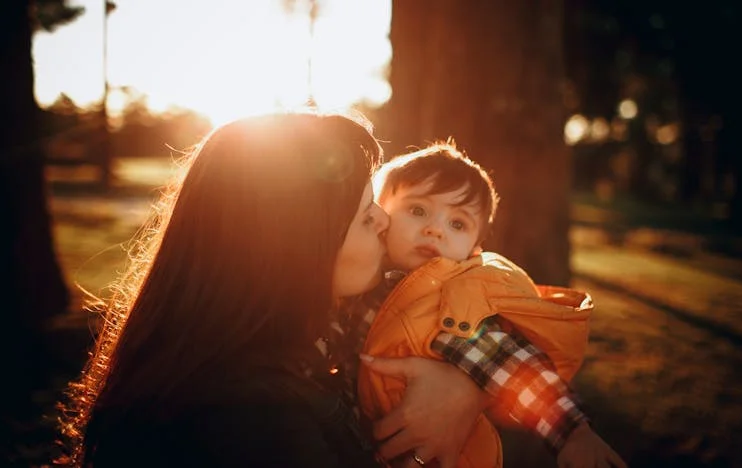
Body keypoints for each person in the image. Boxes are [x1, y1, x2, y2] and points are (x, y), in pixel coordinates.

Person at [56, 112, 493, 467]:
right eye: (365, 215)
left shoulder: (289, 345)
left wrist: (466, 387)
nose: (384, 220)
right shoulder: (252, 417)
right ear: (298, 245)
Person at [356, 142, 626, 467]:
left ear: (474, 248)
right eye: (418, 210)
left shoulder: (451, 305)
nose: (435, 229)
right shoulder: (365, 285)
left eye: (457, 224)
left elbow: (516, 369)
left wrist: (573, 434)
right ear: (381, 214)